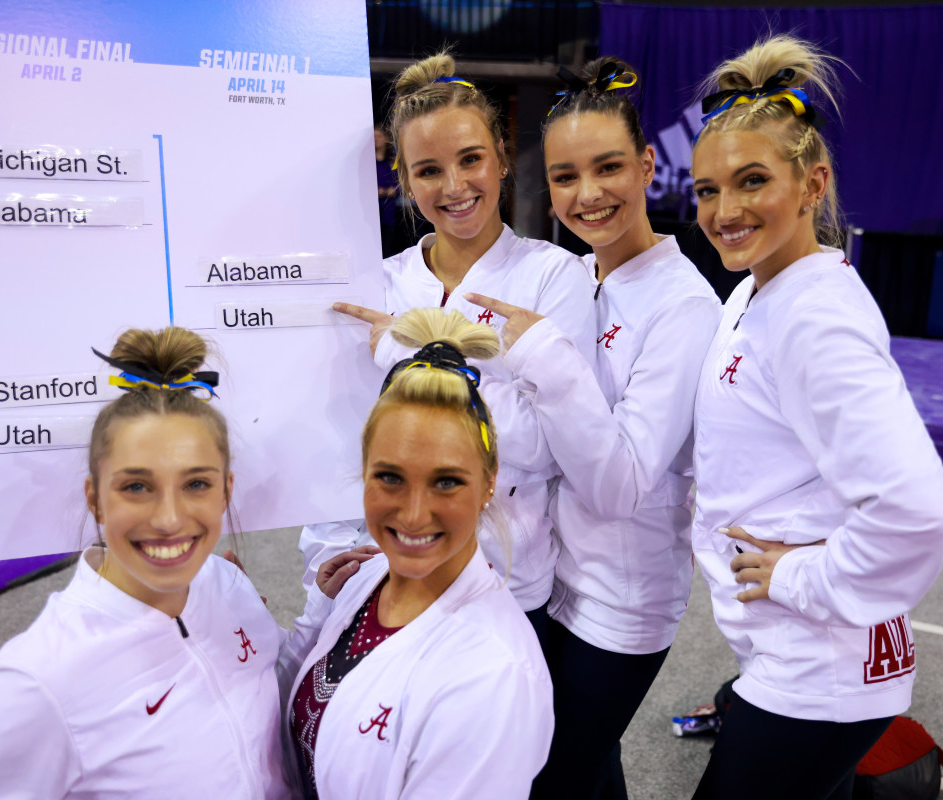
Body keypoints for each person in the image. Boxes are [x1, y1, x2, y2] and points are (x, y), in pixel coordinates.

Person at [0, 327, 367, 800]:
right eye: (137, 487)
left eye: (195, 484)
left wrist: (317, 617)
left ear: (225, 490)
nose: (169, 519)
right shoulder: (35, 684)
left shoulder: (223, 581)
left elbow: (260, 693)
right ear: (95, 499)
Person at [686, 35, 943, 799]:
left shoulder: (816, 319)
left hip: (816, 672)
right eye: (707, 190)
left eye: (751, 182)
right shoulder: (758, 288)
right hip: (791, 654)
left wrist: (802, 574)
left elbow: (917, 511)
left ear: (813, 184)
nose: (724, 211)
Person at [465, 58, 722, 799]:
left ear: (647, 165)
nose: (588, 194)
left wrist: (542, 354)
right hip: (549, 574)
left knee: (557, 768)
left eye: (608, 168)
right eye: (566, 175)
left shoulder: (683, 306)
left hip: (622, 596)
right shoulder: (575, 279)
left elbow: (620, 485)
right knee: (576, 767)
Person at [303, 51, 596, 638]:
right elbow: (344, 437)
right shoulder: (381, 284)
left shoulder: (554, 276)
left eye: (471, 160)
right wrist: (326, 556)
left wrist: (406, 355)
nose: (455, 186)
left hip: (503, 578)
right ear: (405, 181)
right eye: (429, 169)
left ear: (502, 159)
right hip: (385, 568)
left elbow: (546, 443)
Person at [285, 308, 554, 800]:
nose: (412, 516)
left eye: (446, 482)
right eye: (390, 477)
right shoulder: (369, 579)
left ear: (490, 481)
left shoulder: (492, 677)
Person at [374, 125, 400, 257]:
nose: (375, 139)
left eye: (378, 136)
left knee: (387, 249)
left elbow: (400, 185)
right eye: (373, 137)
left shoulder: (392, 162)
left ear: (385, 139)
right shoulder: (368, 163)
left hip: (389, 212)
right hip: (372, 213)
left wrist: (392, 190)